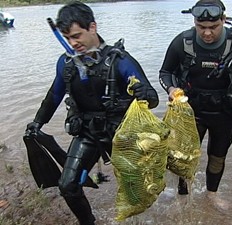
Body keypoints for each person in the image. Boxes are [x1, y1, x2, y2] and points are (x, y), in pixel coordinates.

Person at [25, 1, 159, 225]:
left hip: (123, 135)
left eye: (77, 35)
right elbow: (54, 96)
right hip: (88, 132)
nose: (73, 43)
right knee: (67, 185)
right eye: (68, 38)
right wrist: (38, 122)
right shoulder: (66, 63)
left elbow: (152, 99)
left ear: (93, 27)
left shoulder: (121, 61)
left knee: (140, 187)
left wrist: (143, 92)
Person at [159, 0, 232, 209]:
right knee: (182, 157)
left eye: (213, 27)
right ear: (194, 22)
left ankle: (211, 195)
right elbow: (165, 73)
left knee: (217, 158)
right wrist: (170, 89)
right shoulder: (182, 42)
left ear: (223, 19)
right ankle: (183, 195)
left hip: (225, 113)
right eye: (201, 27)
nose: (206, 33)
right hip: (190, 112)